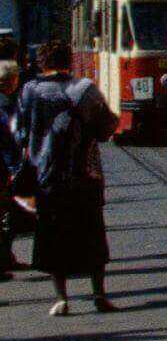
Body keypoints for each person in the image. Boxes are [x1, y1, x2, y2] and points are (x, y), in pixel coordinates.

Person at [16, 41, 118, 315]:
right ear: (69, 61)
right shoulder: (84, 89)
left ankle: (61, 298)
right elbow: (107, 127)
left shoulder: (29, 91)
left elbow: (22, 132)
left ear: (42, 62)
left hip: (45, 175)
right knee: (93, 235)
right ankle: (99, 295)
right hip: (84, 173)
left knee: (53, 235)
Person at [0, 59, 23, 279]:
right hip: (3, 165)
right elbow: (9, 137)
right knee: (4, 213)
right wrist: (14, 166)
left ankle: (6, 258)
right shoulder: (5, 104)